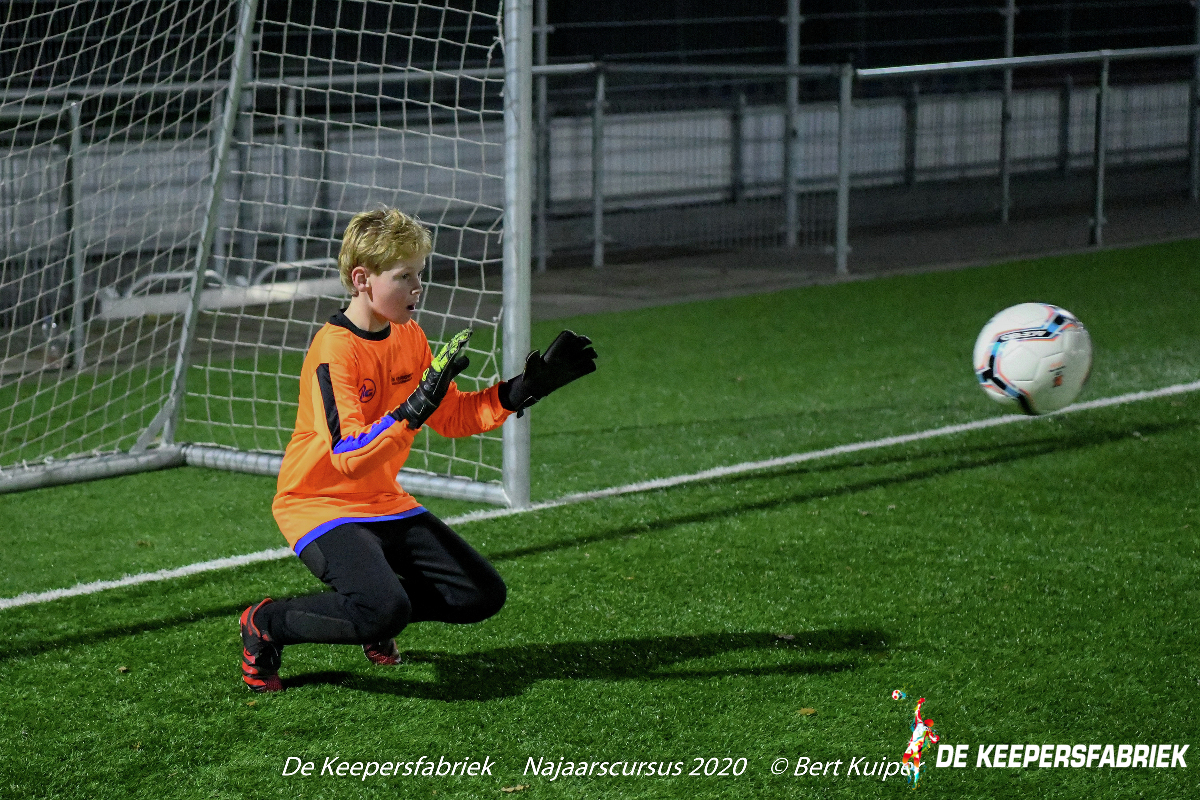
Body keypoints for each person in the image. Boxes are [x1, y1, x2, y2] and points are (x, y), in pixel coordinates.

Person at [239, 207, 597, 692]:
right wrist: (411, 410)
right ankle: (266, 623)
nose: (417, 287)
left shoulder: (410, 336)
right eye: (404, 276)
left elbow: (451, 416)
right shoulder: (333, 350)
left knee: (480, 594)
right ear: (362, 280)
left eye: (419, 274)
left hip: (384, 502)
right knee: (384, 608)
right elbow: (347, 454)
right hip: (320, 505)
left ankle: (375, 612)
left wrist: (521, 391)